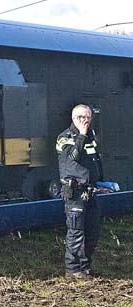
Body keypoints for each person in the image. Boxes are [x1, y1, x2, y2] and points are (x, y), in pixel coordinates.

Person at [56, 104, 103, 279]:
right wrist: (82, 135)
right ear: (74, 118)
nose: (85, 121)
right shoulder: (65, 137)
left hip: (90, 191)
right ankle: (73, 269)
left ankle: (85, 266)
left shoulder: (91, 136)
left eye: (88, 118)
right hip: (75, 192)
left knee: (92, 230)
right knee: (76, 231)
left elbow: (94, 160)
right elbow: (74, 156)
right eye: (82, 117)